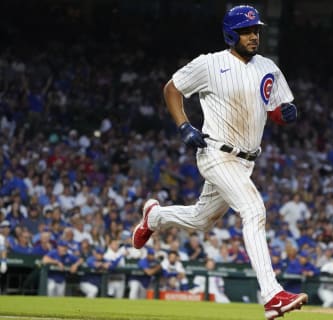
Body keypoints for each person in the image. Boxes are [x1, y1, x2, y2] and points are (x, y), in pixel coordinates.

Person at [132, 5, 306, 319]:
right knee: (254, 209)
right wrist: (184, 125)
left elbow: (275, 109)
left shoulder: (267, 66)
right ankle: (272, 295)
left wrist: (285, 115)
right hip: (215, 154)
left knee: (201, 219)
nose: (254, 36)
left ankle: (154, 217)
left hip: (245, 161)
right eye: (247, 31)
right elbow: (172, 89)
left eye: (256, 31)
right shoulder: (210, 64)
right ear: (231, 33)